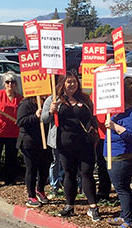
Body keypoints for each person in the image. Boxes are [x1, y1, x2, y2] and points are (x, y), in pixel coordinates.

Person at [41, 72, 100, 220]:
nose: (72, 84)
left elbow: (92, 117)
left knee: (86, 172)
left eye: (74, 82)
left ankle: (93, 207)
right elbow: (44, 119)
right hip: (65, 144)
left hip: (85, 143)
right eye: (69, 82)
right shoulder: (54, 99)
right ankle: (70, 205)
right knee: (69, 173)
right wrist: (51, 110)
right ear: (63, 84)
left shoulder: (85, 99)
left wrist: (94, 128)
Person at [104, 86, 132, 228]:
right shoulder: (120, 112)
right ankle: (123, 215)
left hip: (124, 156)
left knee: (122, 188)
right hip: (116, 154)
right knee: (121, 187)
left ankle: (128, 221)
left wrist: (114, 126)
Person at [0, 72, 22, 188]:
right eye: (7, 82)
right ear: (4, 83)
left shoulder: (20, 98)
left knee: (11, 157)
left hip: (13, 132)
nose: (10, 84)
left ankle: (10, 179)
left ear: (16, 84)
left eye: (12, 82)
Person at [17, 89, 51, 208]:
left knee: (44, 168)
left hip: (44, 142)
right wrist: (35, 116)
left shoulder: (46, 103)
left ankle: (40, 190)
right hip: (29, 142)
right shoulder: (26, 104)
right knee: (31, 169)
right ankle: (31, 196)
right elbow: (20, 121)